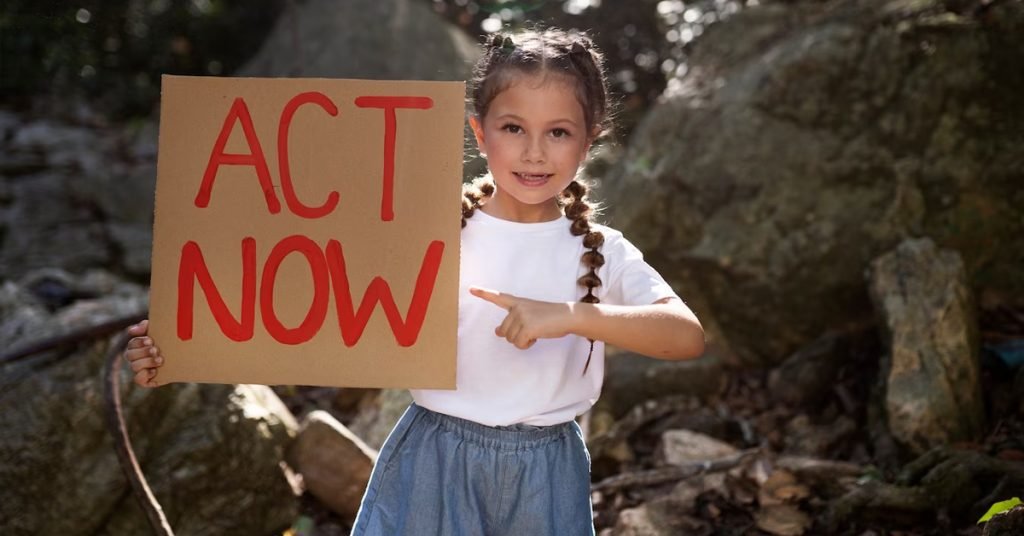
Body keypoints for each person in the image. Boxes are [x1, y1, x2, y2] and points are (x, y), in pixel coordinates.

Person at [124, 27, 705, 536]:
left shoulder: (599, 250)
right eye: (512, 127)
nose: (533, 151)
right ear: (480, 133)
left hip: (545, 472)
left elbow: (684, 336)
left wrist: (569, 315)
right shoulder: (424, 225)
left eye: (558, 132)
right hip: (434, 457)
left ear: (590, 136)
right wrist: (181, 342)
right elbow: (301, 306)